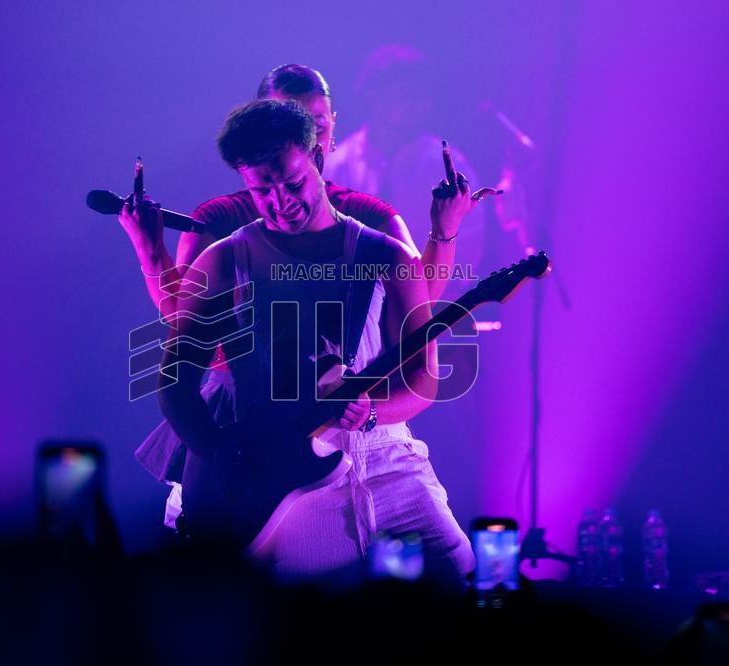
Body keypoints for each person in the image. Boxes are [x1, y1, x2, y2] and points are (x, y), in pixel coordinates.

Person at [120, 65, 498, 529]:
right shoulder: (219, 232)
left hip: (361, 431)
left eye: (316, 120)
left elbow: (417, 312)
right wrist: (151, 251)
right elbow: (180, 333)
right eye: (264, 190)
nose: (280, 202)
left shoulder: (374, 225)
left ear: (321, 141)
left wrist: (444, 232)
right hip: (250, 428)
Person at [324, 45, 486, 299]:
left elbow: (468, 247)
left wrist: (430, 303)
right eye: (409, 94)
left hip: (431, 307)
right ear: (374, 95)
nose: (421, 106)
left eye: (424, 96)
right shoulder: (337, 166)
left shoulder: (448, 167)